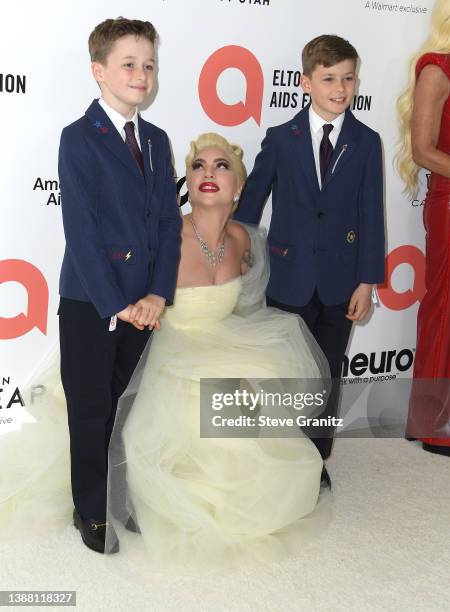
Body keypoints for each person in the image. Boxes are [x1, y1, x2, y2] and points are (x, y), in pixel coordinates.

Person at [105, 133, 331, 567]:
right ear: (186, 182)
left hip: (221, 338)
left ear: (239, 187)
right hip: (170, 347)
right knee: (203, 406)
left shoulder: (245, 241)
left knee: (261, 378)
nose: (208, 173)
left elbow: (247, 305)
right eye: (199, 166)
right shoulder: (161, 235)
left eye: (221, 166)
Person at [57, 17, 181, 553]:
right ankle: (90, 509)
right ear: (99, 71)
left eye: (148, 65)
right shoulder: (78, 139)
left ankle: (122, 497)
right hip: (93, 302)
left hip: (146, 306)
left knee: (129, 410)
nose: (141, 74)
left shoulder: (156, 140)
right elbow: (81, 233)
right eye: (128, 64)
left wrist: (157, 294)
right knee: (91, 409)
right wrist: (118, 303)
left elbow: (168, 226)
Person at [234, 35, 385, 471]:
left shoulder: (366, 140)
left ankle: (316, 461)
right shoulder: (282, 139)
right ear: (305, 83)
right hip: (287, 277)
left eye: (349, 78)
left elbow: (371, 214)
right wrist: (237, 255)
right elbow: (250, 207)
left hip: (342, 281)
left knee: (327, 372)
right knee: (286, 372)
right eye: (329, 79)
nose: (341, 88)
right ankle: (283, 458)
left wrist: (367, 281)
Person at [397, 0, 450, 456]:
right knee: (445, 306)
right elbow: (422, 150)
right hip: (449, 202)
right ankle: (431, 425)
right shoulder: (437, 68)